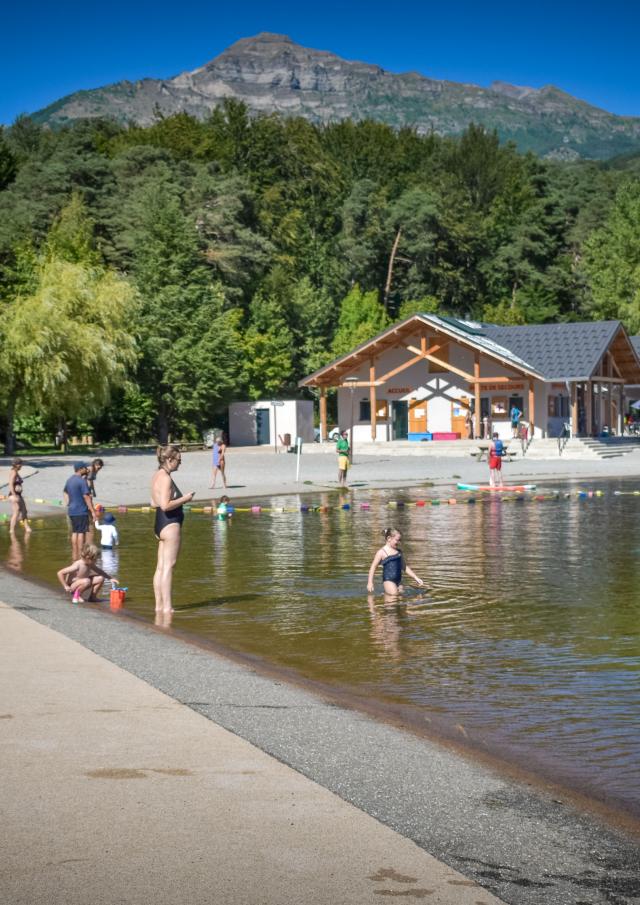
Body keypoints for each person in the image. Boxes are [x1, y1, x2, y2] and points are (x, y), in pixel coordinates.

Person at [151, 445, 195, 615]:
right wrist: (185, 498)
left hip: (159, 523)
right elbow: (165, 505)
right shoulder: (166, 478)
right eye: (179, 460)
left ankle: (158, 606)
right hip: (170, 523)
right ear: (169, 459)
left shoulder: (156, 476)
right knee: (169, 566)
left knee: (160, 567)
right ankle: (167, 607)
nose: (180, 464)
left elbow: (153, 502)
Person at [367, 528, 424, 599]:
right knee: (394, 598)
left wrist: (416, 577)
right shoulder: (382, 552)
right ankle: (385, 598)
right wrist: (370, 582)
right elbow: (373, 567)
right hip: (388, 580)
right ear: (389, 538)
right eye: (397, 540)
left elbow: (404, 566)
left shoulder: (399, 552)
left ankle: (384, 594)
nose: (399, 542)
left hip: (399, 581)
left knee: (401, 597)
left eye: (400, 540)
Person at [63, 462, 96, 558]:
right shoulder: (82, 481)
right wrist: (93, 511)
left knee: (74, 532)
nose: (86, 469)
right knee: (81, 532)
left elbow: (65, 492)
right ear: (80, 469)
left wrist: (68, 502)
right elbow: (86, 496)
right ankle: (81, 553)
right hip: (81, 510)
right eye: (85, 468)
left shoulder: (69, 480)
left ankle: (74, 553)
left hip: (72, 510)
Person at [8, 457, 31, 535]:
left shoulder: (16, 472)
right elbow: (10, 484)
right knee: (16, 512)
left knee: (24, 511)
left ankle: (27, 528)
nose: (22, 466)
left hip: (18, 495)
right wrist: (14, 495)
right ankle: (11, 530)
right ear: (17, 465)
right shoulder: (13, 472)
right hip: (14, 495)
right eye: (21, 464)